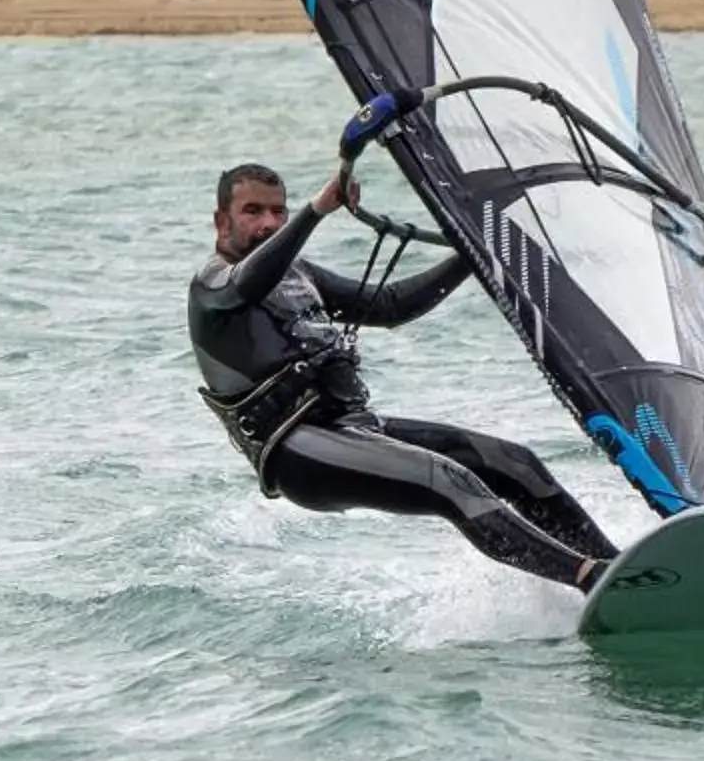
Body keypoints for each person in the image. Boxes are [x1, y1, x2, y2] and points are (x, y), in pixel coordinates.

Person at [189, 158, 619, 590]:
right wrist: (315, 211)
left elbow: (392, 306)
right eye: (253, 212)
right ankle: (591, 579)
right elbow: (249, 282)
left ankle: (622, 568)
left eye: (278, 211)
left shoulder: (298, 275)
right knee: (448, 481)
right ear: (221, 221)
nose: (269, 223)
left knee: (514, 463)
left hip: (354, 429)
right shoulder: (212, 286)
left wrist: (476, 254)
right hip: (297, 451)